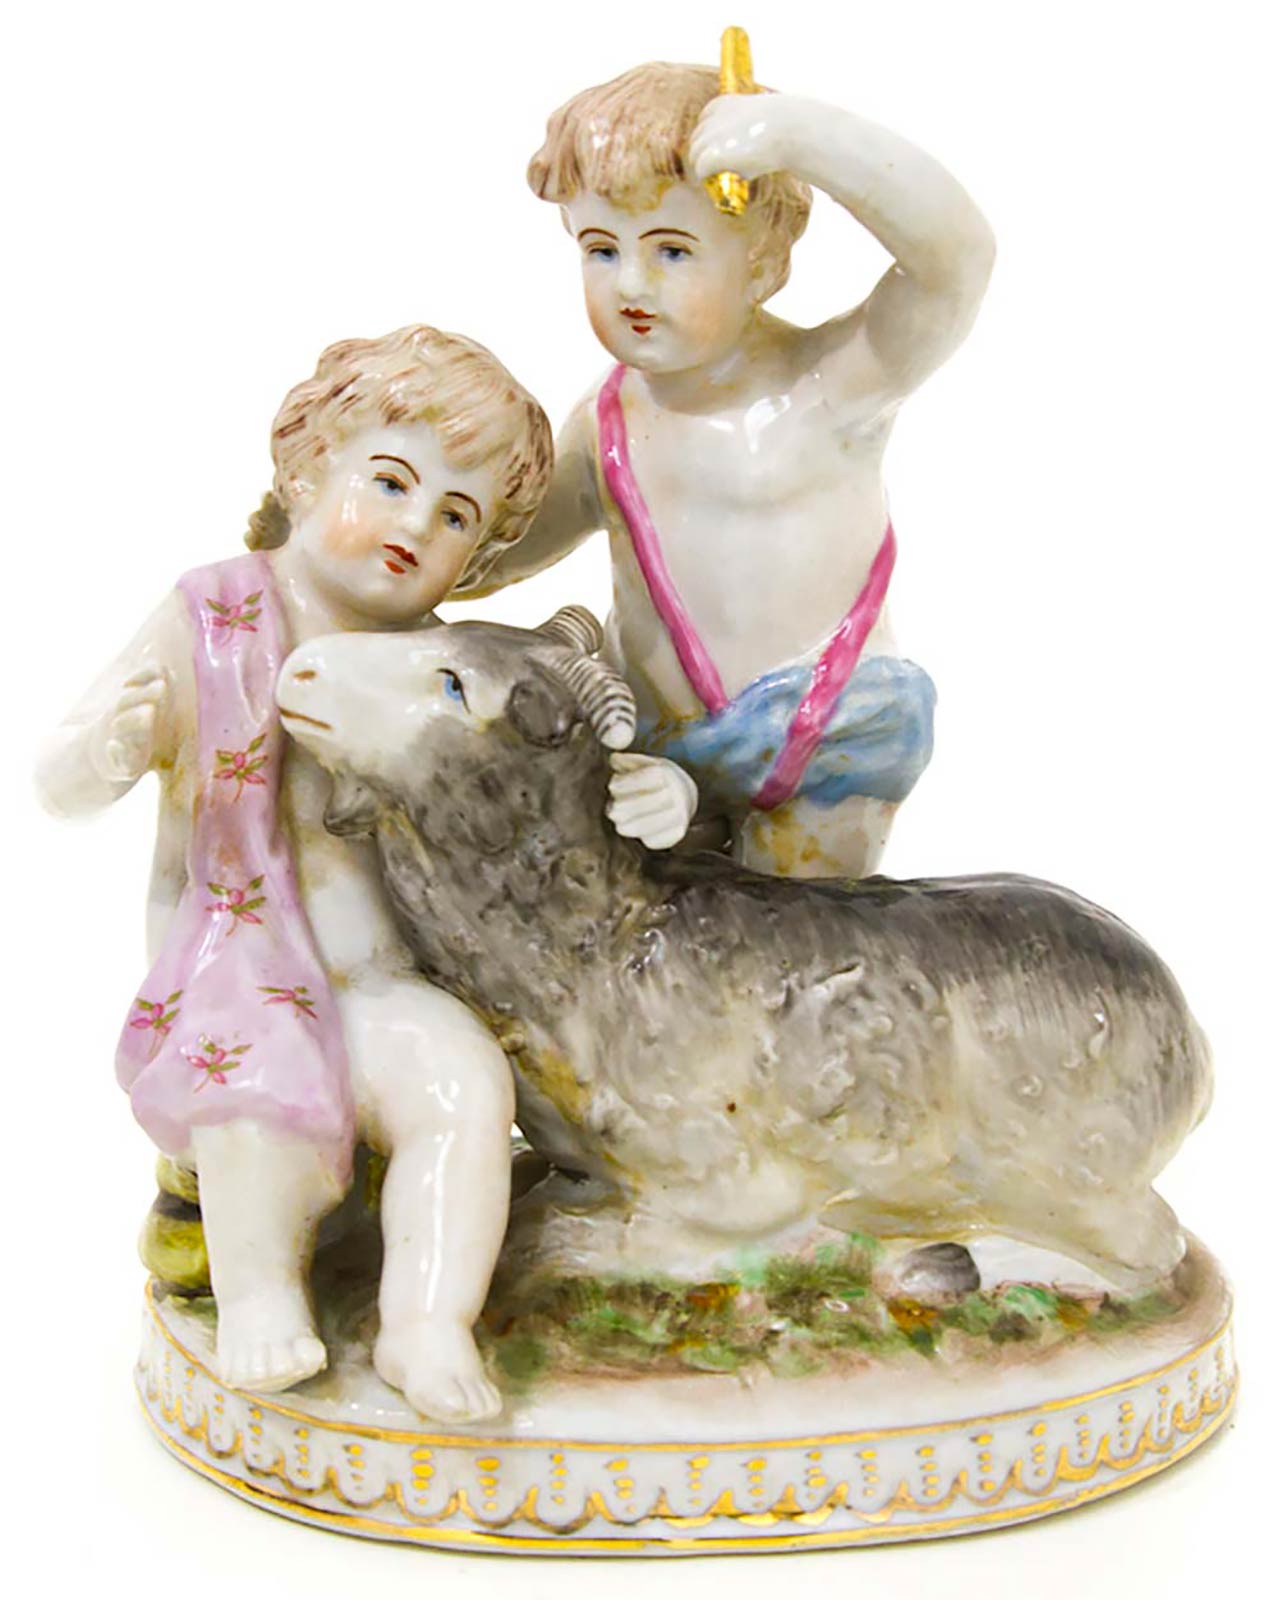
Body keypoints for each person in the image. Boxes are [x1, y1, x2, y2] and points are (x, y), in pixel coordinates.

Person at [36, 325, 686, 1421]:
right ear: (305, 467)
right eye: (391, 482)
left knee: (464, 1090)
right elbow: (57, 782)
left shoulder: (444, 667)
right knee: (252, 1102)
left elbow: (556, 776)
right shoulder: (214, 616)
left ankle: (425, 1324)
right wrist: (109, 748)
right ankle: (260, 1297)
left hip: (381, 978)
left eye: (455, 516)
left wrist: (657, 790)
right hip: (229, 970)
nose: (415, 526)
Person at [467, 61, 995, 878]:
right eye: (601, 249)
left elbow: (955, 262)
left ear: (761, 259)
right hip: (653, 768)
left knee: (795, 932)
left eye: (673, 250)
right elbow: (503, 553)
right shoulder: (607, 421)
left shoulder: (832, 385)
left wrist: (802, 139)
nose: (631, 284)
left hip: (821, 757)